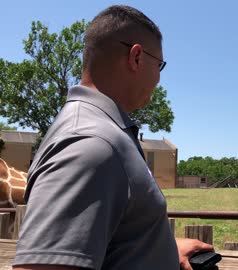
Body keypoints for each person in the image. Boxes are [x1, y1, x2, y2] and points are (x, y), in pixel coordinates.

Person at [12, 5, 213, 270]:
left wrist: (157, 248)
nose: (159, 79)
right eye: (159, 65)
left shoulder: (101, 133)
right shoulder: (92, 145)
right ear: (137, 57)